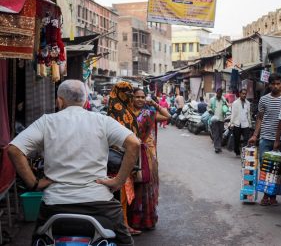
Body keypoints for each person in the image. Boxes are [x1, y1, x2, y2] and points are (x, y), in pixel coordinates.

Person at [8, 80, 140, 246]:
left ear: (60, 100)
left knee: (38, 240)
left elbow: (14, 149)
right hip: (99, 202)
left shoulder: (47, 121)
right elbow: (134, 144)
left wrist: (34, 183)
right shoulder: (102, 120)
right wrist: (118, 181)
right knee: (125, 242)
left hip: (55, 204)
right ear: (85, 101)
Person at [128, 88, 171, 230]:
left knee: (145, 185)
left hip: (146, 154)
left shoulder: (149, 113)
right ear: (132, 98)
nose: (140, 99)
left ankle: (144, 220)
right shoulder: (126, 113)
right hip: (130, 153)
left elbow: (167, 116)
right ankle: (130, 220)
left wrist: (153, 103)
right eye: (137, 97)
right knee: (131, 185)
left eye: (142, 97)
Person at [108, 81, 141, 236]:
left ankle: (124, 224)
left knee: (125, 193)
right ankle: (123, 227)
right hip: (119, 158)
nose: (129, 96)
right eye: (126, 92)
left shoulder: (125, 107)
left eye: (130, 93)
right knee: (121, 193)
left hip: (127, 156)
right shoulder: (117, 108)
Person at [248, 73, 281, 206]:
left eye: (278, 83)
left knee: (277, 169)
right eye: (273, 83)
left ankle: (273, 196)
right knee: (265, 168)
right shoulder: (263, 100)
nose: (275, 86)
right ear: (269, 85)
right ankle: (265, 195)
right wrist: (255, 135)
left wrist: (280, 139)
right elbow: (260, 119)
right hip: (265, 138)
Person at [229, 88, 251, 157]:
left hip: (245, 124)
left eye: (245, 94)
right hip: (237, 124)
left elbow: (249, 114)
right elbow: (233, 114)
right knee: (237, 140)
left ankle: (244, 152)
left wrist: (249, 124)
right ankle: (237, 152)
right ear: (240, 94)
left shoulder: (248, 103)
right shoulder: (235, 103)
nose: (244, 95)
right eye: (243, 94)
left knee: (246, 139)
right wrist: (231, 123)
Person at [208, 88, 228, 153]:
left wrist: (226, 108)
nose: (219, 94)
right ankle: (217, 147)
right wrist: (210, 111)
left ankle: (219, 146)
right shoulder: (212, 100)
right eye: (218, 93)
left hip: (221, 119)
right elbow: (208, 107)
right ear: (216, 93)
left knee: (220, 134)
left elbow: (226, 106)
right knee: (216, 134)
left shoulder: (223, 99)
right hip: (214, 119)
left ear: (221, 93)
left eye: (220, 93)